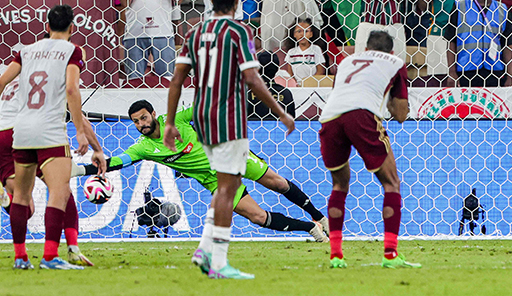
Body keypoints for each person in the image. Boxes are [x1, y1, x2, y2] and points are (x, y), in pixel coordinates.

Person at [165, 0, 296, 279]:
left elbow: (176, 80)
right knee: (229, 187)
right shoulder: (239, 31)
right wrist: (280, 112)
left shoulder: (195, 32)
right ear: (237, 1)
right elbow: (252, 79)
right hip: (228, 118)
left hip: (201, 118)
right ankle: (218, 262)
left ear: (210, 0)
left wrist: (171, 122)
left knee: (225, 185)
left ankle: (204, 249)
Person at [73, 100, 327, 241]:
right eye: (136, 122)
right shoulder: (144, 148)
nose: (141, 124)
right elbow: (118, 161)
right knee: (258, 218)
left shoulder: (178, 119)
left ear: (153, 114)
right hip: (215, 180)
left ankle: (320, 217)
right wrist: (80, 170)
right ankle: (309, 228)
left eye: (144, 118)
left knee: (279, 184)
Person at [0, 4, 107, 270]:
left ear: (46, 27)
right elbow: (71, 88)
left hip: (20, 131)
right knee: (59, 193)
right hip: (49, 130)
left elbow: (2, 83)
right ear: (73, 28)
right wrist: (81, 133)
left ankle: (21, 257)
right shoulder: (72, 50)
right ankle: (50, 256)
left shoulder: (25, 51)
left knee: (22, 198)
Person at [319, 30, 420, 269]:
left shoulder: (346, 61)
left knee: (339, 185)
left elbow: (341, 92)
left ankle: (336, 255)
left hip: (330, 117)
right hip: (362, 116)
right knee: (391, 183)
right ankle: (390, 254)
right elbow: (400, 114)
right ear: (392, 52)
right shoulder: (396, 63)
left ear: (365, 49)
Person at [0, 65, 97, 268]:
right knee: (61, 190)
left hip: (2, 134)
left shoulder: (21, 71)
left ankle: (20, 258)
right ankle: (70, 250)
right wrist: (97, 149)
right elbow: (76, 109)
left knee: (24, 205)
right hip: (33, 132)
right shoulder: (57, 72)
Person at [444, 0, 512, 88]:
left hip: (494, 71)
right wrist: (452, 72)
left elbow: (508, 45)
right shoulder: (461, 6)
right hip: (466, 70)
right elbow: (451, 41)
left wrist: (510, 76)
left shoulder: (502, 10)